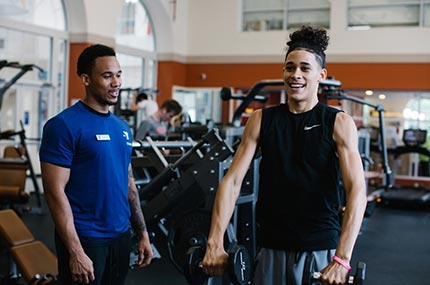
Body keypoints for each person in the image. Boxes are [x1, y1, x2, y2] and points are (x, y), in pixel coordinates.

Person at [202, 25, 367, 285]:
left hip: (319, 246)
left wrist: (342, 259)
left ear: (320, 75)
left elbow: (357, 189)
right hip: (270, 246)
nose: (295, 75)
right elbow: (232, 181)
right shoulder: (261, 120)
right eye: (289, 68)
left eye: (304, 68)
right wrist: (214, 242)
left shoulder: (337, 122)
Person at [39, 44, 153, 285]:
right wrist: (76, 251)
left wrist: (142, 233)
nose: (116, 82)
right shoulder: (63, 126)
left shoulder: (122, 128)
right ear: (86, 79)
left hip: (120, 236)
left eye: (119, 74)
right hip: (86, 238)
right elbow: (54, 192)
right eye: (107, 75)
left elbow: (128, 183)